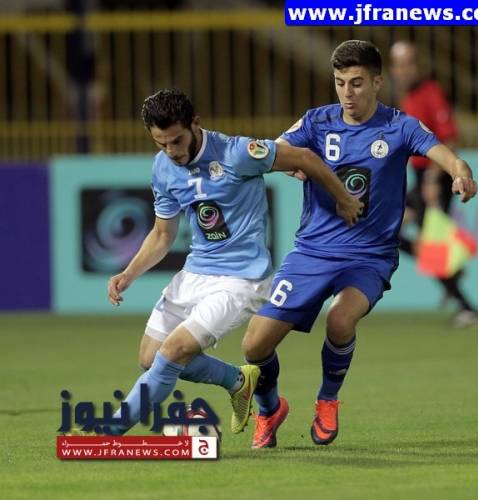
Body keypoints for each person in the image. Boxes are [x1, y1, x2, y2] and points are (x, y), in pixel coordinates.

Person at [241, 40, 478, 449]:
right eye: (340, 83)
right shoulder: (316, 121)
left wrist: (461, 173)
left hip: (369, 256)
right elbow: (277, 150)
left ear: (377, 82)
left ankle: (327, 400)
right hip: (312, 252)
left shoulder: (400, 126)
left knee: (340, 320)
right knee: (253, 344)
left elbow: (447, 155)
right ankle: (269, 409)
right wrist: (286, 160)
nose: (347, 93)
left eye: (356, 83)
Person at [104, 89, 362, 436]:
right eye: (161, 143)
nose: (171, 151)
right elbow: (163, 234)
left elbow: (304, 157)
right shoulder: (163, 168)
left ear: (195, 123)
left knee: (173, 352)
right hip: (195, 273)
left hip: (240, 279)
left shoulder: (237, 153)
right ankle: (238, 380)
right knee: (149, 358)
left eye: (177, 141)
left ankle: (109, 432)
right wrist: (129, 273)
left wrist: (344, 199)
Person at [389, 40, 478, 327]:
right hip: (419, 179)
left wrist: (431, 180)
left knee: (430, 247)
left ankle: (467, 308)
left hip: (436, 178)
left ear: (418, 66)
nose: (403, 70)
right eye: (398, 65)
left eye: (408, 64)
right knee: (390, 230)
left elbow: (450, 138)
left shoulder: (430, 92)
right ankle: (453, 274)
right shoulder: (409, 96)